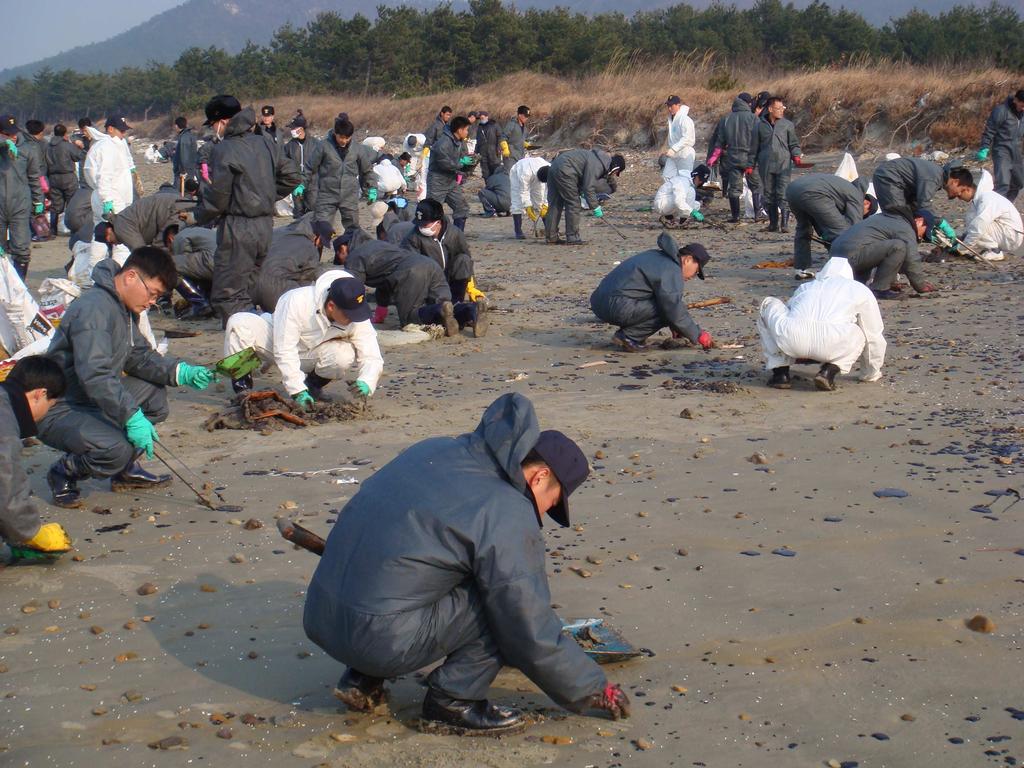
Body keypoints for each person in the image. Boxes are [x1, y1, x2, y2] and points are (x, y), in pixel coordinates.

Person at [303, 392, 631, 733]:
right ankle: (453, 700)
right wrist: (594, 688)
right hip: (374, 638)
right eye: (552, 502)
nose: (545, 514)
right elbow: (525, 625)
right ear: (539, 477)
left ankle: (361, 679)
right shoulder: (505, 508)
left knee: (419, 567)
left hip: (322, 613)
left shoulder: (435, 450)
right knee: (502, 605)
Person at [39, 247, 215, 508]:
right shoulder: (94, 309)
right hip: (61, 407)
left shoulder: (123, 308)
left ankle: (125, 469)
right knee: (116, 449)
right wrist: (131, 416)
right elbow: (95, 375)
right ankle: (64, 471)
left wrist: (180, 372)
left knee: (154, 396)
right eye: (152, 293)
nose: (152, 302)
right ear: (131, 276)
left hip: (93, 399)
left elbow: (139, 357)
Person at [195, 95, 302, 325]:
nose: (214, 130)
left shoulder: (225, 149)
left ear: (222, 121)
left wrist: (198, 215)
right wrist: (264, 197)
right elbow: (292, 176)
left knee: (227, 294)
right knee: (247, 288)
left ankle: (248, 349)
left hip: (238, 227)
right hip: (264, 227)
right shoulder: (264, 140)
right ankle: (259, 340)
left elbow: (218, 199)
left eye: (213, 124)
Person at [223, 271, 383, 404]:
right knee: (239, 323)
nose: (354, 319)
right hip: (274, 342)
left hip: (314, 353)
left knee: (343, 354)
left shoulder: (355, 314)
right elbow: (284, 349)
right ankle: (243, 390)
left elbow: (372, 354)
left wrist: (367, 381)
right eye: (349, 315)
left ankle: (313, 388)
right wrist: (296, 390)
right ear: (331, 306)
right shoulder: (297, 301)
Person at [757, 257, 886, 391]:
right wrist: (871, 373)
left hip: (793, 339)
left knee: (768, 304)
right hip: (833, 343)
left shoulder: (807, 286)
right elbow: (874, 336)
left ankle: (780, 372)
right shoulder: (860, 289)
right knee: (861, 332)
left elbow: (789, 315)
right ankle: (828, 372)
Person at [0, 356, 74, 565]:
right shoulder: (4, 426)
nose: (46, 412)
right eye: (51, 405)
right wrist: (30, 532)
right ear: (39, 395)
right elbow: (5, 487)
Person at [590, 234, 713, 352]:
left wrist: (676, 326)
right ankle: (629, 337)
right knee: (668, 310)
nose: (693, 276)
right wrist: (697, 334)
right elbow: (672, 308)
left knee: (668, 308)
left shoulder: (656, 255)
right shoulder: (672, 269)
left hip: (599, 301)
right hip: (616, 305)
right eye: (696, 271)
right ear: (688, 260)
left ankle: (633, 334)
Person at [335, 228, 458, 334]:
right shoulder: (377, 244)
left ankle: (440, 309)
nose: (342, 263)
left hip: (412, 271)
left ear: (342, 248)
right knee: (449, 307)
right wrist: (381, 307)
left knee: (410, 320)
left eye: (340, 259)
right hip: (430, 264)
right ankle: (469, 311)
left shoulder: (354, 257)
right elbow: (385, 281)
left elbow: (353, 290)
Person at [401, 199, 487, 336]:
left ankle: (459, 309)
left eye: (425, 224)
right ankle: (469, 311)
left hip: (452, 285)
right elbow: (410, 268)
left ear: (438, 222)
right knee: (443, 310)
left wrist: (471, 286)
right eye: (419, 224)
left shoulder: (454, 233)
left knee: (463, 260)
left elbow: (466, 258)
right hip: (429, 286)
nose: (421, 227)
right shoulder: (412, 238)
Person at [829, 208, 937, 299]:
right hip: (851, 257)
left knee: (890, 248)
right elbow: (911, 258)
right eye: (924, 233)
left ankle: (867, 285)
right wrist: (920, 285)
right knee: (898, 247)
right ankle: (879, 289)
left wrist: (892, 281)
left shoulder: (886, 218)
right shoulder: (905, 227)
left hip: (837, 257)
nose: (920, 238)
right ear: (919, 221)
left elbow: (879, 251)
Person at [785, 174, 876, 279]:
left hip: (793, 189)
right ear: (867, 204)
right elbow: (851, 230)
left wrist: (825, 235)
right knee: (841, 233)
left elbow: (823, 221)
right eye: (864, 215)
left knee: (803, 228)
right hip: (814, 193)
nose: (862, 215)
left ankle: (801, 269)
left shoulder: (846, 188)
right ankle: (839, 270)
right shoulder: (857, 198)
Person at [305, 118, 379, 232]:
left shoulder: (357, 149)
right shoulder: (323, 146)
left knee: (353, 230)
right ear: (335, 133)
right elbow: (309, 168)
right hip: (327, 195)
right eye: (341, 137)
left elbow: (367, 170)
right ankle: (317, 249)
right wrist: (301, 185)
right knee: (320, 229)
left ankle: (350, 249)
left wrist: (372, 188)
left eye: (347, 138)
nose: (344, 141)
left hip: (349, 196)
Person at [83, 116, 135, 270]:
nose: (124, 134)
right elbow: (104, 175)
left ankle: (94, 272)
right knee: (121, 237)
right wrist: (107, 200)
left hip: (105, 195)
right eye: (121, 130)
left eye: (125, 130)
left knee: (100, 235)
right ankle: (118, 271)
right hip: (111, 197)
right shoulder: (107, 147)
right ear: (110, 129)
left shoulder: (111, 144)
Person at [544, 149, 625, 246]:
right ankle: (573, 237)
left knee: (555, 203)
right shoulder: (597, 164)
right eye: (616, 172)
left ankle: (551, 237)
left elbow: (582, 177)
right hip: (565, 170)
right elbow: (588, 187)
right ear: (616, 167)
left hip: (555, 166)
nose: (614, 175)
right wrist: (595, 206)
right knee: (573, 203)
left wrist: (581, 191)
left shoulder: (597, 158)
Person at [254, 215, 334, 312]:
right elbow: (305, 281)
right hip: (274, 287)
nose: (319, 246)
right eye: (321, 243)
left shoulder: (279, 230)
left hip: (250, 280)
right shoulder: (310, 249)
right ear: (317, 237)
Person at [944, 167, 1023, 262]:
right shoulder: (980, 199)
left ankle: (995, 251)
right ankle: (991, 249)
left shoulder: (987, 198)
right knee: (972, 222)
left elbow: (979, 226)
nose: (960, 199)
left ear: (967, 189)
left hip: (1012, 236)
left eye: (959, 195)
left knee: (976, 223)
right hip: (1006, 232)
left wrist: (961, 249)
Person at [750, 97, 803, 233]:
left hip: (783, 164)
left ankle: (784, 224)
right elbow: (754, 147)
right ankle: (773, 224)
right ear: (770, 109)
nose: (781, 111)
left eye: (782, 108)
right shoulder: (759, 125)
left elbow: (794, 144)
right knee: (768, 195)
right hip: (765, 165)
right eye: (778, 108)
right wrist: (750, 165)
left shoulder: (787, 125)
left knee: (783, 193)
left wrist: (796, 155)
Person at [0, 115, 44, 278]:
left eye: (13, 133)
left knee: (21, 249)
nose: (12, 136)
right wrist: (4, 143)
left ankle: (20, 285)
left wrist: (38, 200)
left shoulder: (28, 149)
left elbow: (34, 177)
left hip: (20, 204)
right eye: (6, 133)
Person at [709, 93, 760, 223]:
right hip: (750, 159)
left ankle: (735, 216)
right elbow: (760, 138)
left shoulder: (726, 119)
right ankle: (758, 215)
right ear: (747, 104)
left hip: (733, 158)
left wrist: (714, 157)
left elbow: (720, 141)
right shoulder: (753, 118)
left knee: (735, 189)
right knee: (756, 187)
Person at [425, 115, 473, 231]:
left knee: (462, 207)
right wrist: (461, 162)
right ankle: (426, 236)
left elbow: (463, 157)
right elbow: (445, 164)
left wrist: (471, 162)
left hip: (451, 181)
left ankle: (457, 234)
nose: (467, 132)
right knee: (432, 211)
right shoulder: (443, 143)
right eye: (466, 129)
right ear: (459, 130)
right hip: (437, 181)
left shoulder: (460, 142)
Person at [976, 89, 1024, 202]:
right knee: (1003, 184)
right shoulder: (1001, 111)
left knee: (1019, 183)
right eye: (1022, 105)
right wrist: (984, 147)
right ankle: (992, 209)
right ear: (1015, 100)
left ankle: (1006, 206)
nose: (1023, 109)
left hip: (1016, 152)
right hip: (1001, 151)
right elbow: (990, 130)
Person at [167, 224, 216, 319]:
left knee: (169, 265)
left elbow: (186, 271)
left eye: (169, 248)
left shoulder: (179, 237)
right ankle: (210, 303)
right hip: (226, 265)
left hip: (212, 261)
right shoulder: (201, 231)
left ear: (170, 239)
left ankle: (200, 303)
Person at [45, 124, 85, 235]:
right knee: (72, 203)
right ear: (64, 133)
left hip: (53, 177)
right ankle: (73, 229)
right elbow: (78, 156)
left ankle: (53, 229)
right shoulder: (67, 145)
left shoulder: (48, 146)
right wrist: (80, 147)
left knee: (55, 205)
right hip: (68, 177)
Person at [870, 157, 946, 215]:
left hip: (898, 181)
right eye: (958, 192)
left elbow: (917, 204)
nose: (958, 194)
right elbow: (924, 204)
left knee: (911, 215)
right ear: (955, 181)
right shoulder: (933, 178)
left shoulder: (936, 175)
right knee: (898, 216)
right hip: (889, 177)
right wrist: (938, 221)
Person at [283, 113, 319, 219]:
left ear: (301, 128)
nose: (291, 130)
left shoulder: (316, 144)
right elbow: (285, 163)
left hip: (313, 183)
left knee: (313, 209)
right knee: (298, 211)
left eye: (293, 128)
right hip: (296, 183)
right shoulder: (289, 146)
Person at [654, 162, 709, 229]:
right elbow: (678, 201)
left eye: (702, 181)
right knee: (690, 193)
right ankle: (670, 218)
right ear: (695, 175)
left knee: (696, 204)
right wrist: (692, 212)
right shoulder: (682, 182)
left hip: (668, 202)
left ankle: (679, 220)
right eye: (700, 179)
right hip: (662, 204)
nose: (700, 182)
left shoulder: (689, 181)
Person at [510, 156, 549, 240]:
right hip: (517, 174)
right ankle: (518, 231)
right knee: (517, 202)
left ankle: (549, 229)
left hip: (538, 174)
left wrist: (545, 205)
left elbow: (548, 190)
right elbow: (523, 191)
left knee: (540, 202)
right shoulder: (524, 173)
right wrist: (527, 205)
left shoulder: (549, 168)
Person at [663, 95, 695, 180]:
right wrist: (671, 149)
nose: (669, 108)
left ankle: (687, 193)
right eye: (668, 106)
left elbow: (687, 138)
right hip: (673, 154)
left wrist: (674, 149)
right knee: (667, 176)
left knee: (685, 178)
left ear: (678, 105)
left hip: (685, 153)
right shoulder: (671, 119)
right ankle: (672, 193)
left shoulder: (685, 119)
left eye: (672, 106)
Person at [501, 105, 531, 171]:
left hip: (520, 156)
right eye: (525, 116)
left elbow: (521, 139)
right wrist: (505, 148)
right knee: (509, 175)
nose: (526, 118)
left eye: (527, 117)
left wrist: (525, 144)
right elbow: (503, 137)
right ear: (520, 115)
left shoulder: (525, 128)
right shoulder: (511, 124)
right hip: (510, 157)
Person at [172, 116, 198, 188]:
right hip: (189, 170)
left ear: (176, 126)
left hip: (184, 172)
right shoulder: (188, 135)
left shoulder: (185, 137)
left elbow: (184, 155)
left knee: (181, 193)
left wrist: (183, 170)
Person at [475, 110, 502, 180]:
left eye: (482, 118)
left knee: (495, 170)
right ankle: (488, 186)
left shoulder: (494, 125)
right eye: (480, 119)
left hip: (494, 152)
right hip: (482, 152)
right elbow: (478, 140)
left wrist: (499, 148)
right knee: (485, 172)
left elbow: (500, 137)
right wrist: (476, 151)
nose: (481, 120)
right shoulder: (479, 127)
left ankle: (495, 186)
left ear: (487, 117)